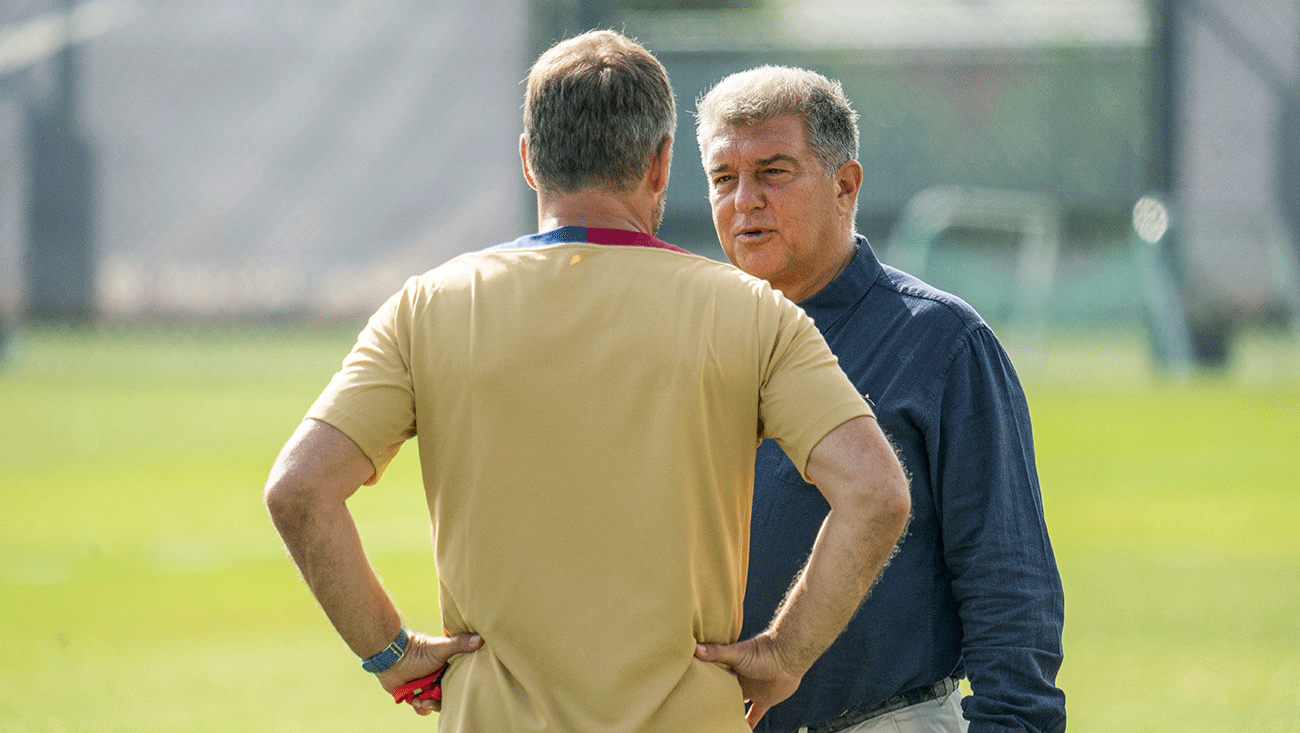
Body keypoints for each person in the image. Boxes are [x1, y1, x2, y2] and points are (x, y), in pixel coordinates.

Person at [264, 33, 911, 733]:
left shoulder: (429, 306)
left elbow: (300, 490)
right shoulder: (752, 313)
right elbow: (875, 494)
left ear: (527, 161)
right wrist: (786, 653)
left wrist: (390, 652)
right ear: (663, 164)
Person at [694, 66, 1066, 733]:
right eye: (724, 178)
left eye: (773, 171)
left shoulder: (942, 341)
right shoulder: (693, 345)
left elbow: (1010, 586)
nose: (744, 199)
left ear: (845, 185)